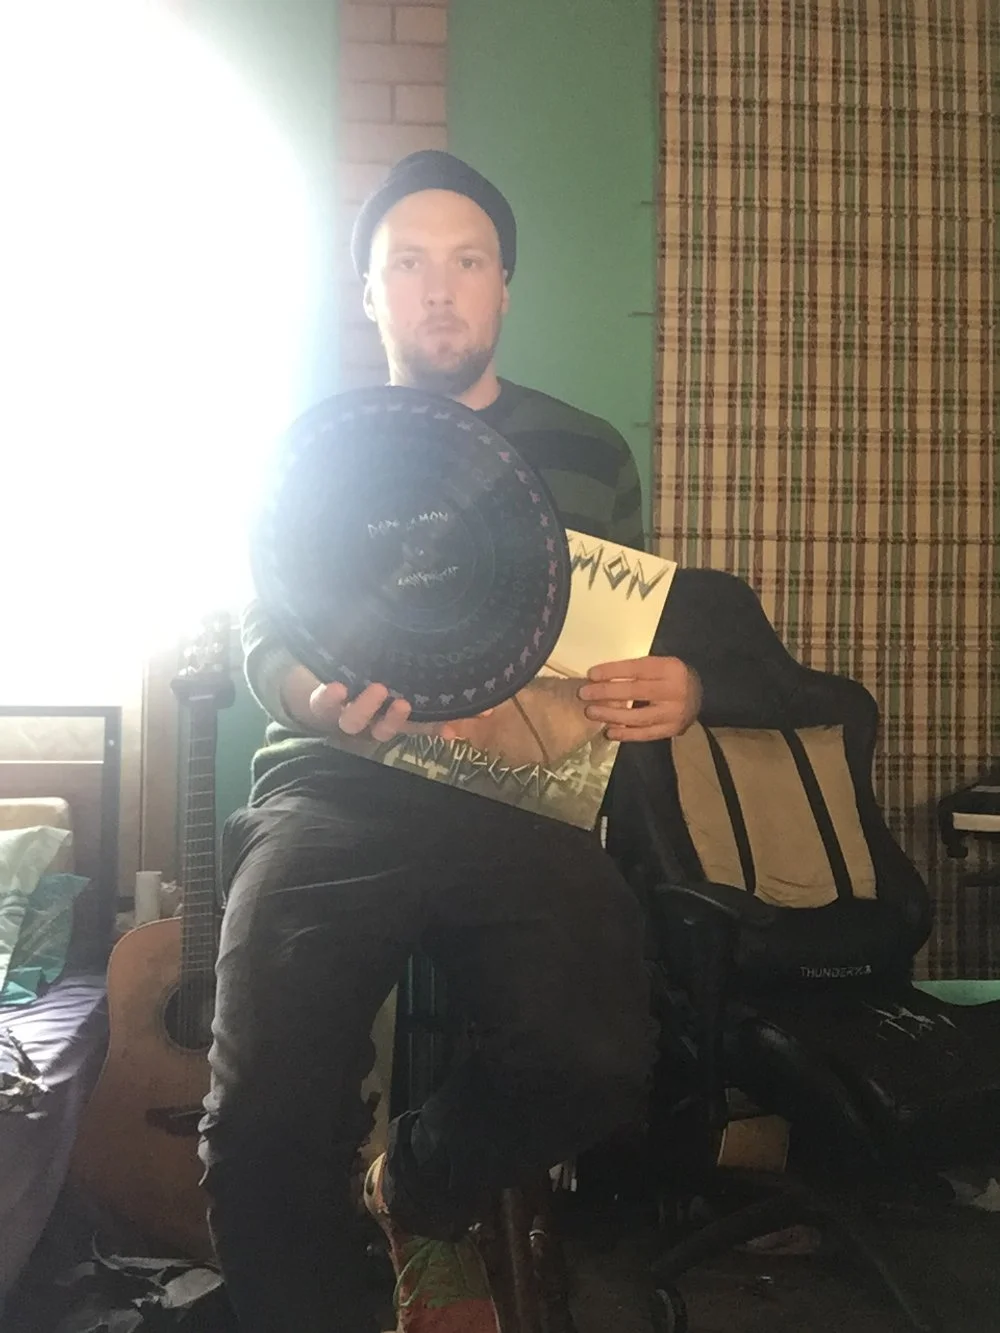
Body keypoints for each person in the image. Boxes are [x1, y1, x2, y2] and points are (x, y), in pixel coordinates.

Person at [199, 151, 703, 1333]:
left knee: (596, 1059)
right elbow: (262, 639)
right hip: (335, 787)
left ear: (504, 288)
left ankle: (416, 1187)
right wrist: (313, 700)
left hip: (518, 801)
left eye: (467, 261)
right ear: (369, 291)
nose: (439, 288)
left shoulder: (589, 453)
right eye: (408, 264)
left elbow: (626, 632)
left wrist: (672, 684)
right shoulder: (315, 444)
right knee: (262, 1114)